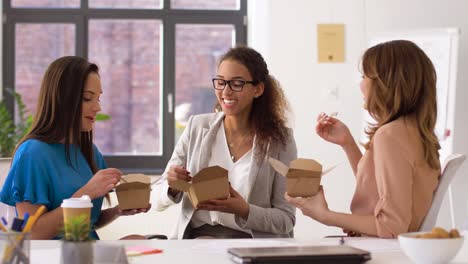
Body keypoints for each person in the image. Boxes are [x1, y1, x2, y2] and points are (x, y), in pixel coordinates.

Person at [286, 40, 441, 238]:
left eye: (364, 76)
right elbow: (380, 188)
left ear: (385, 83)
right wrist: (348, 143)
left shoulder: (390, 136)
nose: (361, 85)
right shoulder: (414, 131)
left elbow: (391, 226)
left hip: (383, 249)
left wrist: (325, 215)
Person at [154, 46, 297, 239]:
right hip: (198, 241)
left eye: (237, 83)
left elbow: (286, 219)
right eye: (220, 82)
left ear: (258, 89)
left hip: (252, 244)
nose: (226, 92)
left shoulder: (281, 140)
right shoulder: (197, 126)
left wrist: (245, 210)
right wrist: (171, 186)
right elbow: (156, 199)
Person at [0, 56, 150, 239]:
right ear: (62, 99)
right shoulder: (32, 154)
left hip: (85, 252)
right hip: (56, 256)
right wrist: (86, 193)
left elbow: (88, 222)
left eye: (98, 99)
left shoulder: (90, 152)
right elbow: (32, 234)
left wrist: (117, 211)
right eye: (88, 98)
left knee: (138, 240)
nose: (97, 107)